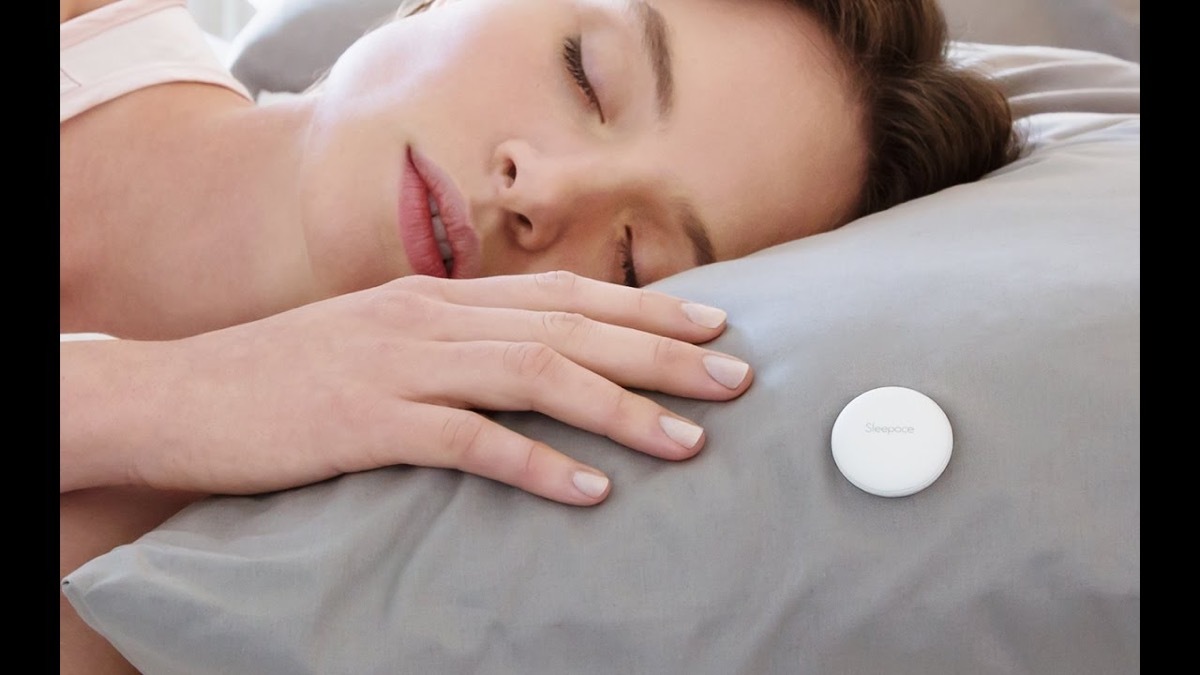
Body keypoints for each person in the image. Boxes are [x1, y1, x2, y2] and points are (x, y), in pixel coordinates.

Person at [59, 0, 1022, 670]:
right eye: (585, 74)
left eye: (635, 258)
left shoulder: (164, 589)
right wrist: (170, 392)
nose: (545, 192)